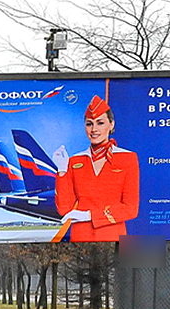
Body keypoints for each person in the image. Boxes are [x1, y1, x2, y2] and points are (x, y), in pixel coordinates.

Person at [53, 95, 140, 242]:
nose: (94, 129)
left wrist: (88, 215)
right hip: (80, 238)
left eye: (100, 123)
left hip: (114, 237)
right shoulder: (75, 161)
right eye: (89, 124)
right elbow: (64, 209)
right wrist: (62, 171)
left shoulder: (128, 158)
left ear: (111, 125)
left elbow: (131, 209)